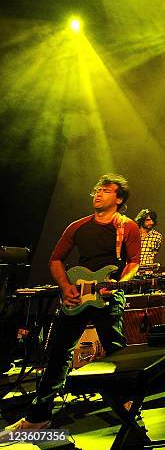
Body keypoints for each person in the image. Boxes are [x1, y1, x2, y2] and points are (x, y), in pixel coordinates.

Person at [4, 174, 140, 432]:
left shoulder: (127, 227)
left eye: (106, 191)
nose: (98, 194)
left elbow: (133, 262)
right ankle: (39, 416)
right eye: (97, 190)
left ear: (119, 198)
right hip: (76, 294)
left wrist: (117, 283)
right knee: (58, 353)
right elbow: (55, 259)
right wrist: (66, 287)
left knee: (116, 351)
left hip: (108, 294)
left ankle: (128, 406)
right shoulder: (77, 226)